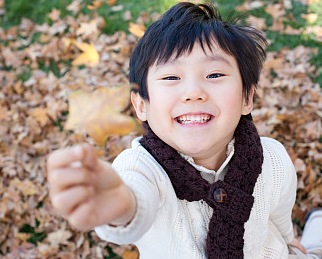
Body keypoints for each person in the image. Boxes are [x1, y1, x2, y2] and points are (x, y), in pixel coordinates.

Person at [47, 2, 321, 258]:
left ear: (246, 98)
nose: (193, 92)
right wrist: (120, 205)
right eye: (171, 77)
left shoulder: (272, 158)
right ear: (142, 105)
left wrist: (288, 239)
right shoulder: (143, 168)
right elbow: (135, 201)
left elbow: (279, 214)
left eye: (214, 75)